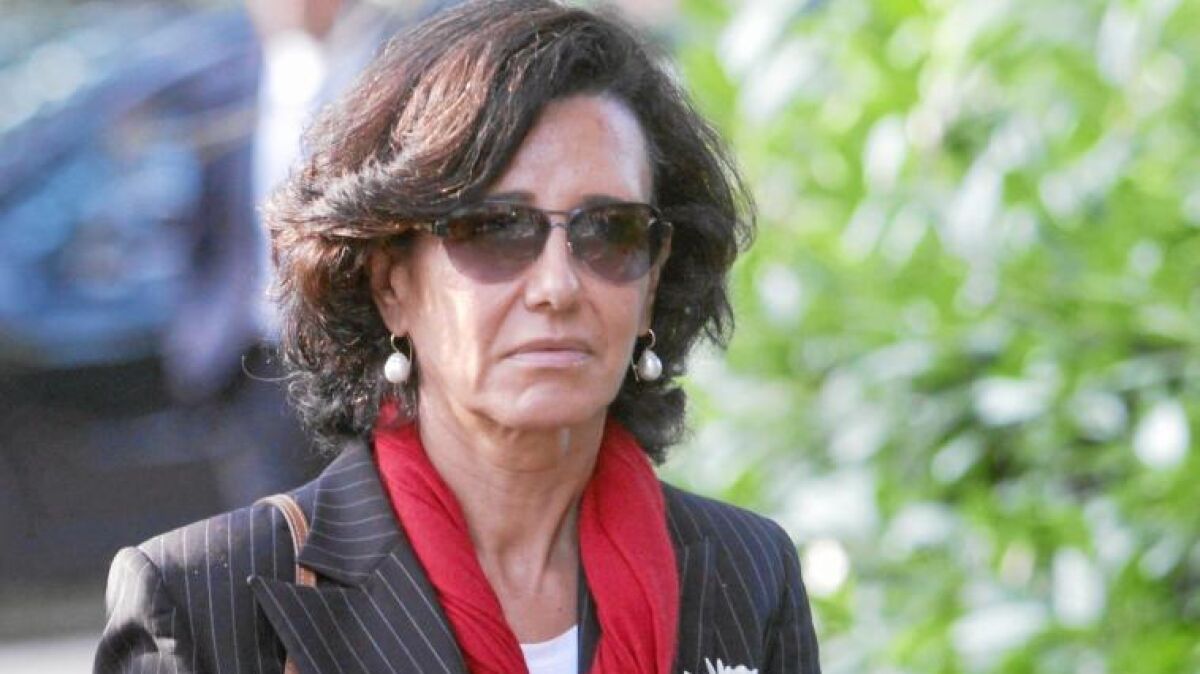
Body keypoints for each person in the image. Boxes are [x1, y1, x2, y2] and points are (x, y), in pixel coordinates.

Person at [93, 1, 821, 673]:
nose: (558, 285)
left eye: (610, 230)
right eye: (495, 229)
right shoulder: (206, 601)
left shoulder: (747, 571)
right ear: (391, 284)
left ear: (654, 280)